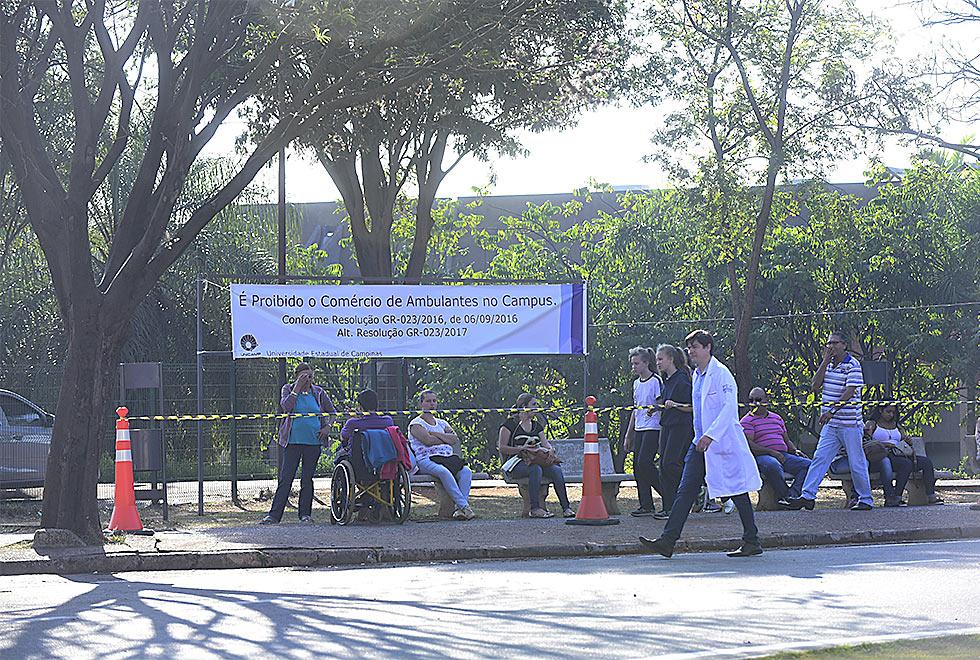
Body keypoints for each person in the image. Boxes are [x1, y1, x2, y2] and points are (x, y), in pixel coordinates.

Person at [640, 330, 763, 558]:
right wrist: (700, 436)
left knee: (737, 490)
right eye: (689, 348)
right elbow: (699, 411)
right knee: (685, 491)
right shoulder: (697, 375)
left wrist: (711, 435)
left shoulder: (722, 374)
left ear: (708, 348)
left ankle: (752, 540)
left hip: (721, 443)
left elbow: (728, 409)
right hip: (700, 445)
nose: (691, 351)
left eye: (695, 347)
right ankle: (668, 541)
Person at [788, 330, 872, 511]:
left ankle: (865, 499)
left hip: (850, 424)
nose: (830, 347)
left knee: (856, 462)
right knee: (820, 458)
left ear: (844, 345)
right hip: (832, 425)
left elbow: (849, 392)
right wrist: (825, 362)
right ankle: (807, 496)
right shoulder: (828, 364)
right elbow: (815, 385)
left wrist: (831, 411)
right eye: (828, 343)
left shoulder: (853, 365)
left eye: (834, 343)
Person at [261, 362, 336, 524]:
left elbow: (333, 413)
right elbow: (286, 407)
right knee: (286, 477)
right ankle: (274, 515)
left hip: (313, 442)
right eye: (305, 376)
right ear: (296, 376)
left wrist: (327, 428)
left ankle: (305, 514)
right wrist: (297, 388)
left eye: (311, 376)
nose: (308, 380)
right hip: (293, 442)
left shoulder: (319, 392)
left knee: (307, 479)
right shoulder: (287, 389)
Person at [499, 393, 575, 518]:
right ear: (524, 406)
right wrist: (521, 448)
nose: (536, 408)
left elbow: (545, 444)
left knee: (556, 469)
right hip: (515, 464)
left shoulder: (536, 425)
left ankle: (566, 507)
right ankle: (535, 509)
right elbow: (502, 447)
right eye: (533, 405)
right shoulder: (510, 425)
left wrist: (550, 450)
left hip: (535, 460)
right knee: (535, 469)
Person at [409, 390, 476, 520]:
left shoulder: (442, 423)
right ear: (421, 403)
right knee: (443, 472)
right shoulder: (416, 424)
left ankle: (459, 511)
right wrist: (445, 437)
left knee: (466, 471)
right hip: (426, 459)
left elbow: (453, 440)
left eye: (434, 401)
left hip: (448, 458)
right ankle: (465, 507)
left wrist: (435, 434)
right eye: (428, 401)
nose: (432, 404)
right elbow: (427, 441)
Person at [740, 387, 811, 507]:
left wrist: (795, 451)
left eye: (758, 399)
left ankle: (793, 495)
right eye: (751, 400)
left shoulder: (777, 418)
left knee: (809, 465)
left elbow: (786, 440)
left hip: (783, 455)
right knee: (773, 465)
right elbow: (749, 445)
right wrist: (772, 452)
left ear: (766, 400)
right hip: (761, 457)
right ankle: (784, 496)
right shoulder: (747, 420)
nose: (754, 403)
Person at [865, 403, 943, 506]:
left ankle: (931, 496)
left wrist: (907, 441)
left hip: (899, 454)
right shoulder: (872, 424)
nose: (891, 415)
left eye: (893, 412)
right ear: (880, 410)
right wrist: (884, 444)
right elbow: (867, 441)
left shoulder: (897, 425)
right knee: (905, 464)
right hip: (882, 455)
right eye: (888, 412)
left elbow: (902, 439)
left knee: (926, 462)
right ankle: (896, 497)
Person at [621, 347, 664, 517]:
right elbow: (635, 410)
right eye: (632, 364)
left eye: (637, 364)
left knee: (646, 463)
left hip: (653, 428)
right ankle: (646, 504)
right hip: (639, 428)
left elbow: (660, 406)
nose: (634, 367)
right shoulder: (636, 384)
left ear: (646, 363)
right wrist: (628, 435)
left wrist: (661, 431)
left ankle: (667, 493)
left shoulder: (656, 381)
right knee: (637, 467)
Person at [655, 344, 694, 520]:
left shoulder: (682, 379)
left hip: (681, 426)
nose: (658, 363)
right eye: (657, 359)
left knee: (671, 463)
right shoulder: (667, 379)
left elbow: (692, 407)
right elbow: (668, 403)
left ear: (671, 359)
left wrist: (676, 405)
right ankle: (668, 507)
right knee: (663, 466)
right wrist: (658, 408)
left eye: (661, 359)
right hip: (668, 424)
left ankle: (695, 487)